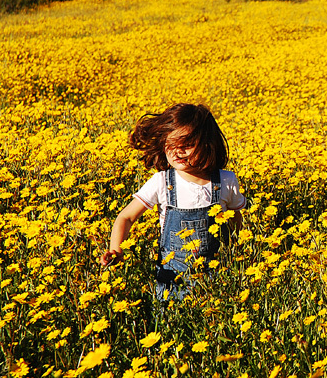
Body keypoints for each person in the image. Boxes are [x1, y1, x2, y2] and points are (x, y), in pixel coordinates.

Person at [100, 103, 246, 303]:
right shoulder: (161, 181)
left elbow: (235, 219)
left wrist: (240, 250)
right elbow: (126, 216)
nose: (177, 151)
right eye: (171, 144)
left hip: (217, 274)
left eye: (186, 144)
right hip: (172, 279)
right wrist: (116, 249)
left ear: (206, 144)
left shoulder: (226, 180)